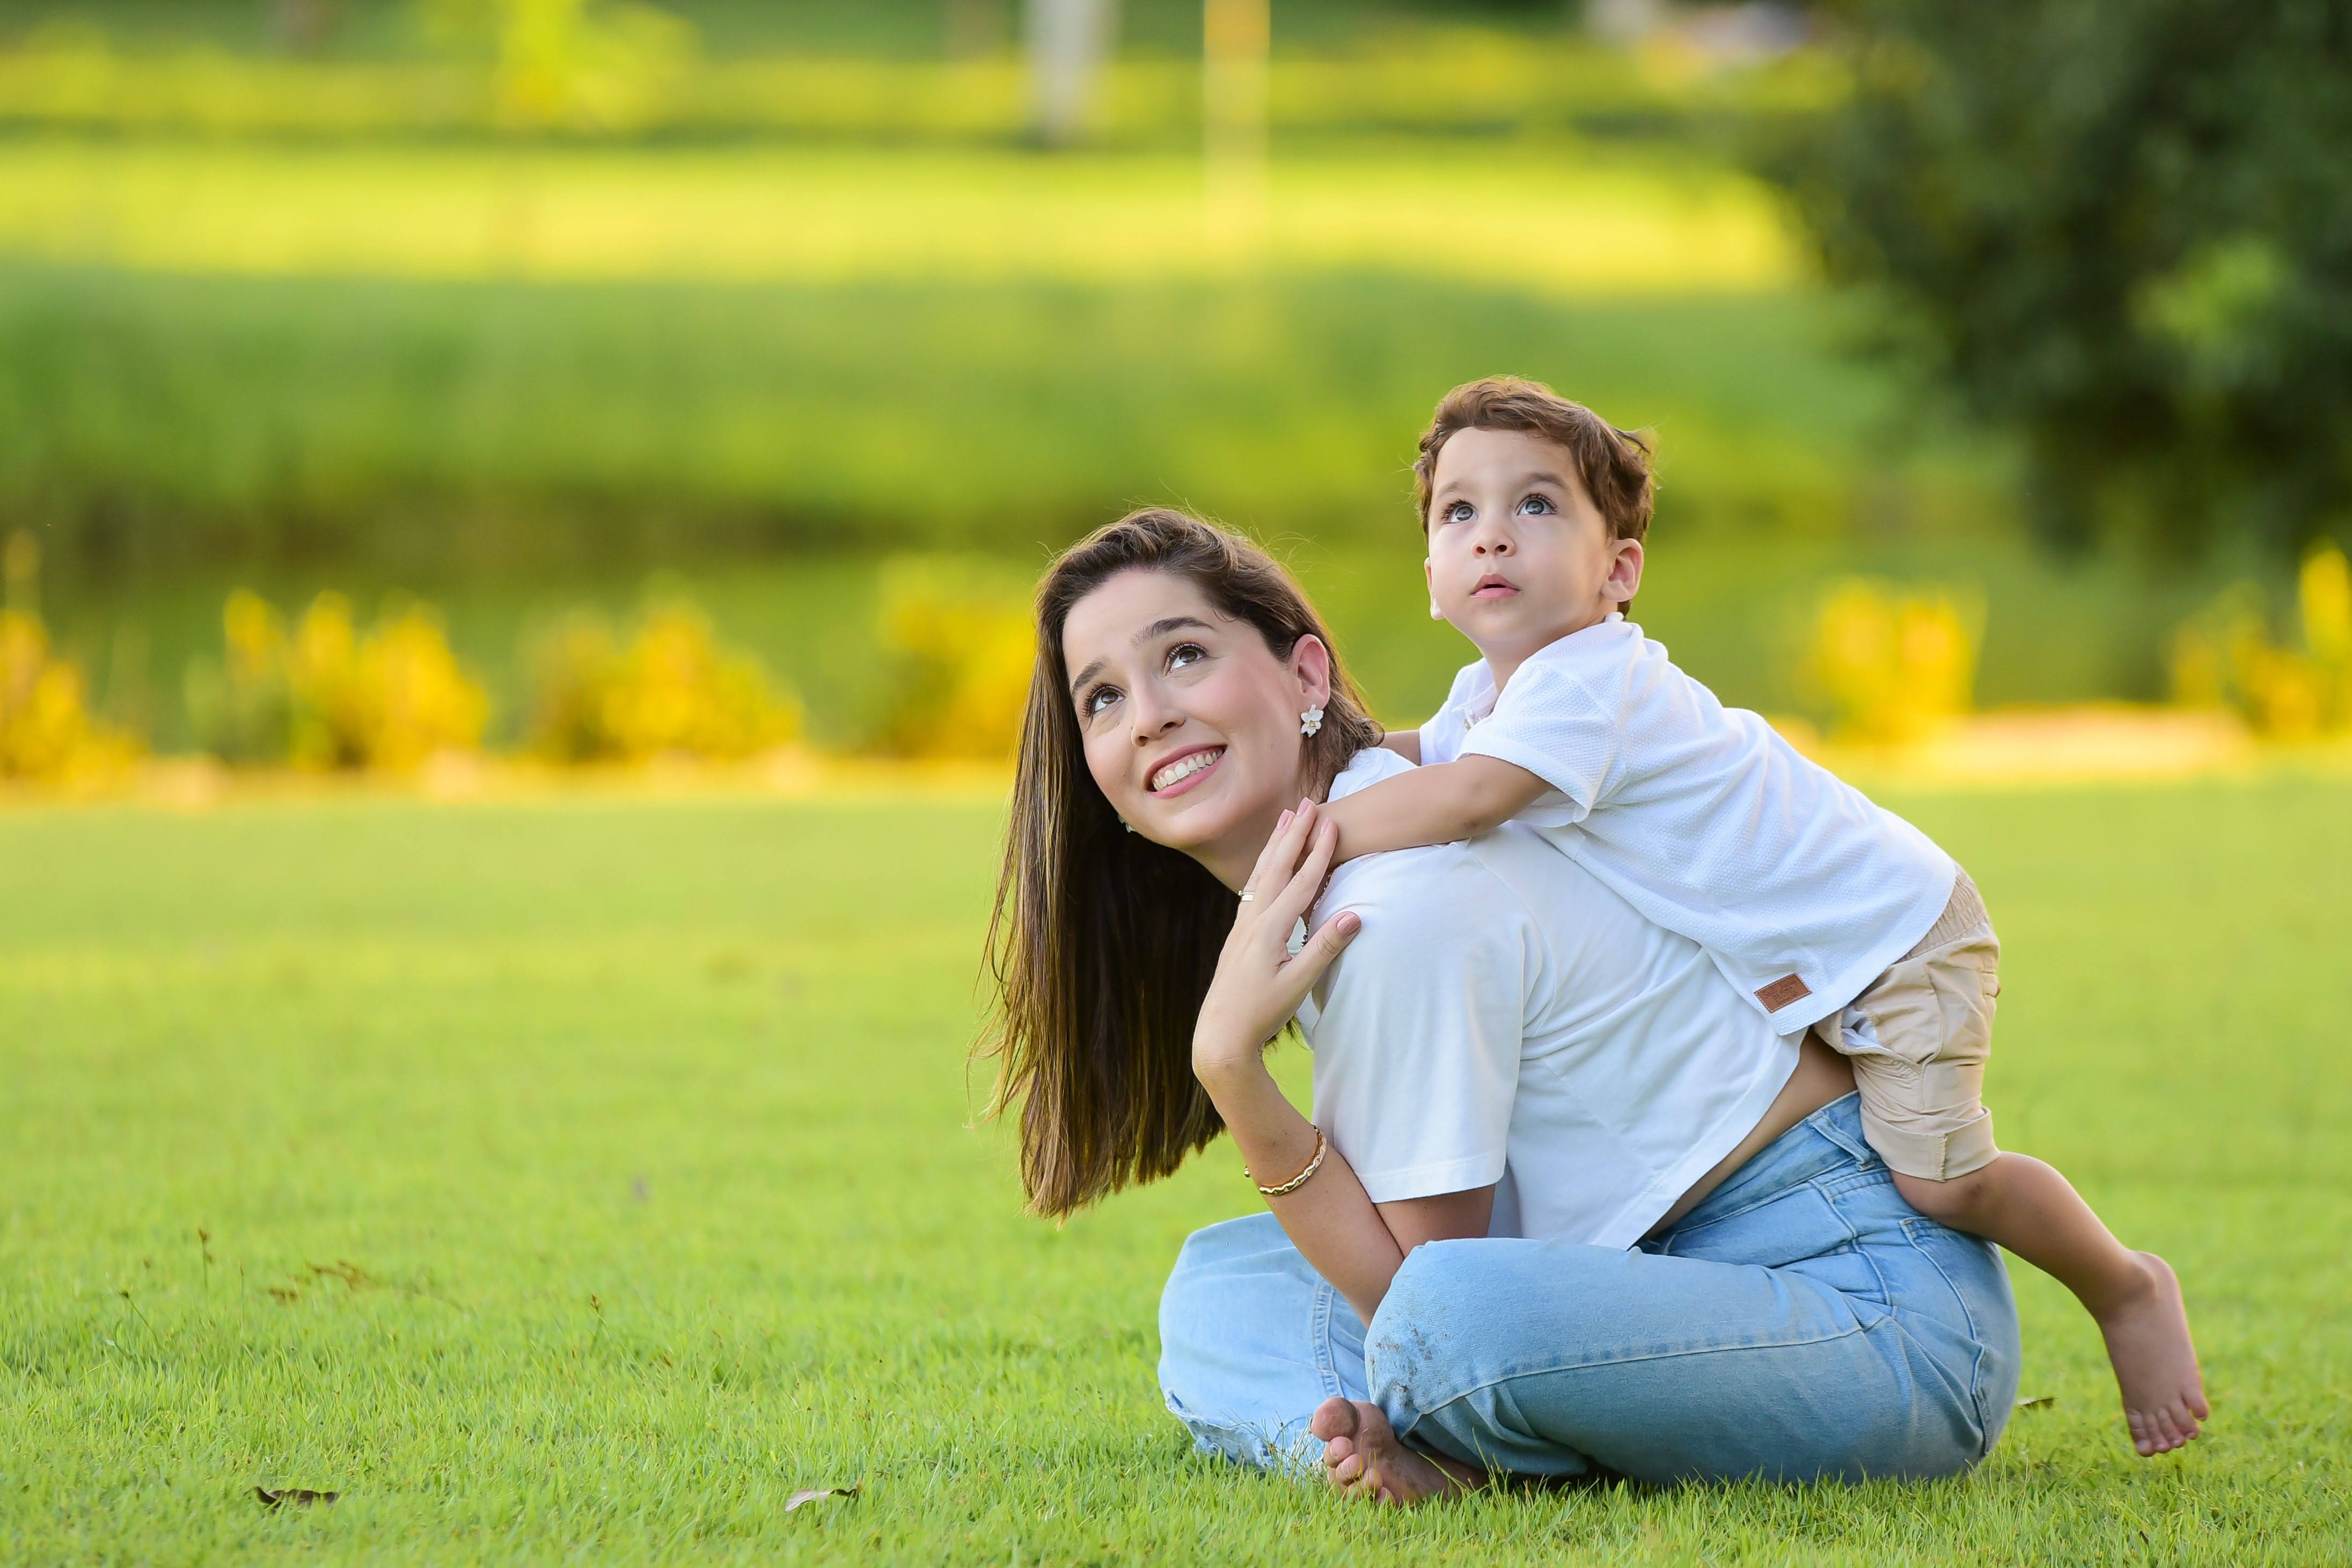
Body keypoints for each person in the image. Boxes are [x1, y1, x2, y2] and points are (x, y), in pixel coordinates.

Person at [980, 507, 2021, 1500]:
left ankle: (1459, 1448)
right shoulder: (1340, 858)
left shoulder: (1391, 901)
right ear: (1090, 768)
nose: (1150, 715)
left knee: (1448, 1314)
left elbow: (1410, 1299)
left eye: (1182, 656)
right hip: (1646, 1264)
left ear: (1304, 673)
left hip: (1872, 1317)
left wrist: (1229, 1069)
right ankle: (1366, 1462)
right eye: (1101, 698)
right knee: (1221, 1286)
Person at [1313, 377, 2205, 1459]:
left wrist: (1304, 838)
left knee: (1938, 1176)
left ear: (1618, 572)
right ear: (1430, 578)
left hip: (1892, 938)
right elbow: (1420, 758)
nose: (1492, 534)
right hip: (1802, 962)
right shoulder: (1486, 697)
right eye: (1459, 513)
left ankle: (2121, 1287)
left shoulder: (1583, 679)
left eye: (1536, 506)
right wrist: (1325, 762)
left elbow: (1463, 800)